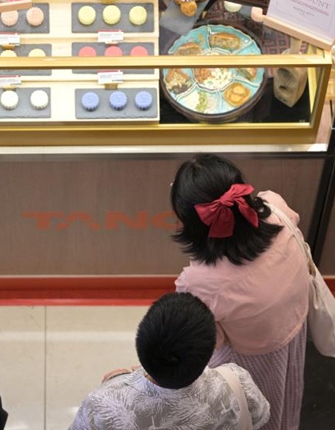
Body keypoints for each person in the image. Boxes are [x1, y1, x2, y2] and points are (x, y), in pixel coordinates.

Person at [171, 154, 310, 430]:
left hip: (252, 356)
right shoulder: (275, 206)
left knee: (253, 411)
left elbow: (213, 340)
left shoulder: (198, 283)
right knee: (286, 396)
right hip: (293, 327)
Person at [70, 292, 270, 430]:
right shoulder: (236, 382)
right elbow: (260, 416)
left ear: (141, 344)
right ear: (209, 351)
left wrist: (117, 385)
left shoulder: (104, 403)